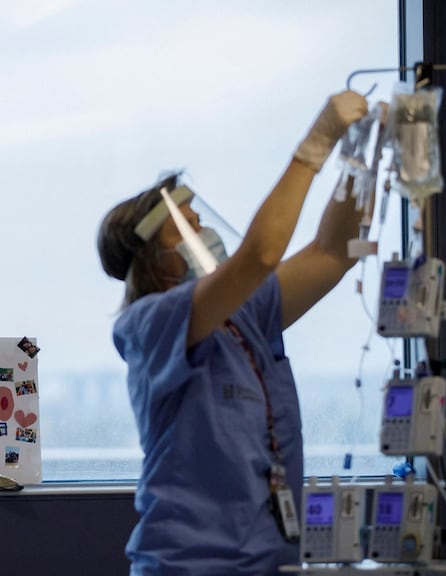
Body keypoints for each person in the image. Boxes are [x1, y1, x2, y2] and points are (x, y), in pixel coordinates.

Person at [97, 89, 368, 575]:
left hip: (269, 560)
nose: (206, 236)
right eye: (187, 228)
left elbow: (334, 251)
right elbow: (259, 256)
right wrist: (315, 145)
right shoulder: (150, 326)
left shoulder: (244, 315)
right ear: (154, 258)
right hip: (188, 564)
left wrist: (358, 160)